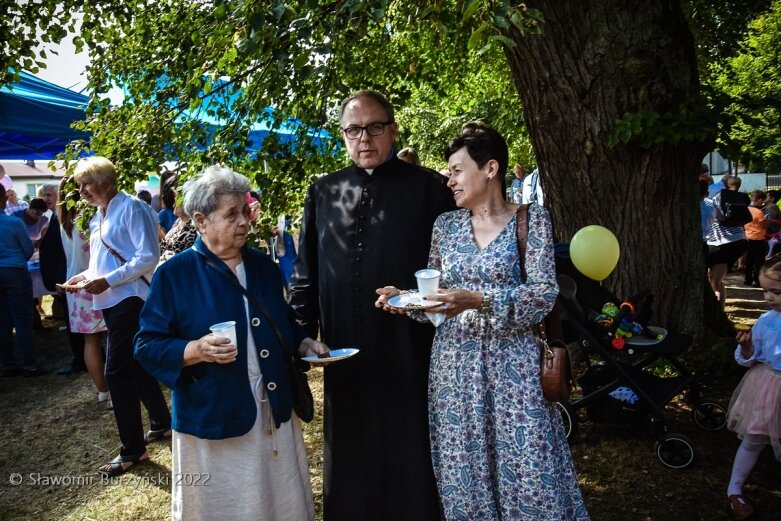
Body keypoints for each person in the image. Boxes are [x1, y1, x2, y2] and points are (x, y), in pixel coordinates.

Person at [376, 122, 589, 520]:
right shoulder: (446, 226)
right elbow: (438, 304)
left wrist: (476, 299)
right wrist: (406, 302)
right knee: (465, 474)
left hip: (516, 373)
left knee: (530, 472)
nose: (450, 180)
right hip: (454, 372)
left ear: (490, 168)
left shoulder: (532, 220)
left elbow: (542, 296)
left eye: (457, 170)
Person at [288, 90, 456, 520]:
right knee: (350, 449)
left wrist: (414, 297)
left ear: (393, 131)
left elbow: (452, 273)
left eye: (374, 127)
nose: (364, 138)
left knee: (409, 445)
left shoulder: (430, 189)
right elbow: (305, 274)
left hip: (410, 346)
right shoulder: (323, 192)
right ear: (342, 135)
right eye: (353, 129)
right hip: (344, 351)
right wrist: (302, 334)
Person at [135, 165, 327, 521]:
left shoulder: (263, 266)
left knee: (278, 501)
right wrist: (194, 350)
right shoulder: (174, 274)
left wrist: (303, 343)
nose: (244, 222)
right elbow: (147, 345)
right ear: (200, 220)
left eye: (245, 211)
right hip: (215, 415)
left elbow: (281, 320)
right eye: (232, 214)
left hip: (272, 409)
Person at [65, 156, 171, 476]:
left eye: (86, 183)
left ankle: (132, 449)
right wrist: (84, 277)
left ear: (107, 183)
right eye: (80, 185)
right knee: (134, 365)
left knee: (116, 373)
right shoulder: (99, 214)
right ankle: (162, 423)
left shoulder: (133, 208)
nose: (82, 190)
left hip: (131, 299)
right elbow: (103, 262)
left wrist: (106, 280)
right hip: (111, 300)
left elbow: (148, 257)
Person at [727, 254, 781, 520]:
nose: (769, 297)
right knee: (754, 438)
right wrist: (746, 347)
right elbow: (751, 357)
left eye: (776, 292)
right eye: (765, 291)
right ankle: (734, 489)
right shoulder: (766, 321)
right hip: (767, 388)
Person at [57, 177, 110, 406]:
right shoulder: (89, 221)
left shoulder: (64, 222)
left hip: (75, 286)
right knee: (111, 339)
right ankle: (115, 390)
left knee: (91, 342)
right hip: (95, 281)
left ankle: (102, 390)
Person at [38, 182, 87, 375]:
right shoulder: (61, 218)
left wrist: (58, 278)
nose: (46, 198)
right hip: (72, 278)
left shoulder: (69, 218)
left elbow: (59, 253)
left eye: (50, 195)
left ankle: (82, 359)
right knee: (80, 328)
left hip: (73, 278)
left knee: (79, 329)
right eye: (45, 195)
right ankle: (84, 358)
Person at [0, 185, 45, 377]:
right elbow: (28, 249)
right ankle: (30, 365)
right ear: (4, 201)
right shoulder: (14, 223)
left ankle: (8, 365)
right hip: (16, 271)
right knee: (23, 321)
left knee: (2, 320)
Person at [707, 176, 748, 308]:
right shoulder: (738, 198)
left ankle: (719, 312)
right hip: (738, 241)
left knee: (715, 281)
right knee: (714, 279)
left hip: (720, 243)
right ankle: (720, 310)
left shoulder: (712, 195)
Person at [743, 190, 768, 287]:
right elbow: (763, 226)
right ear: (760, 200)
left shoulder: (745, 209)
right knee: (758, 261)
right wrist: (767, 221)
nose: (763, 203)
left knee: (749, 259)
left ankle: (747, 279)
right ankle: (756, 280)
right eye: (763, 201)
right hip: (758, 238)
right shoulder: (759, 212)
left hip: (747, 236)